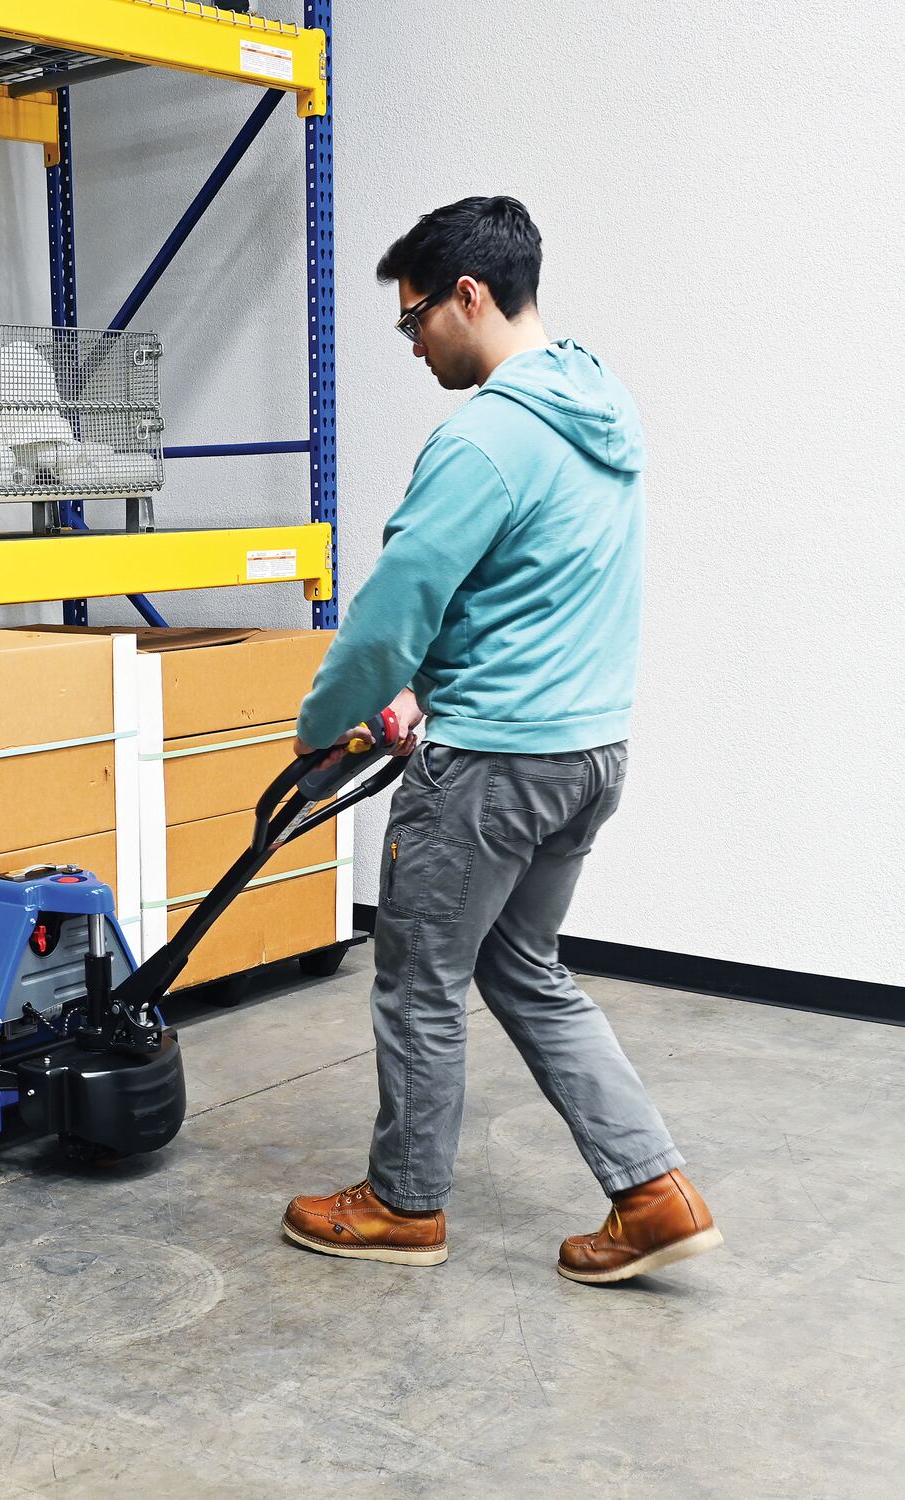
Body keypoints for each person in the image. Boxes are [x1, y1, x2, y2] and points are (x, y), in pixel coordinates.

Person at [281, 196, 721, 1284]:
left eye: (415, 318)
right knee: (523, 966)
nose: (413, 343)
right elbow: (527, 589)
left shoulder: (483, 439)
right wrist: (422, 688)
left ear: (469, 296)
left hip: (491, 767)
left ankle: (402, 1206)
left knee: (418, 980)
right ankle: (653, 1192)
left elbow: (395, 610)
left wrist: (320, 728)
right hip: (588, 752)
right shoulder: (601, 405)